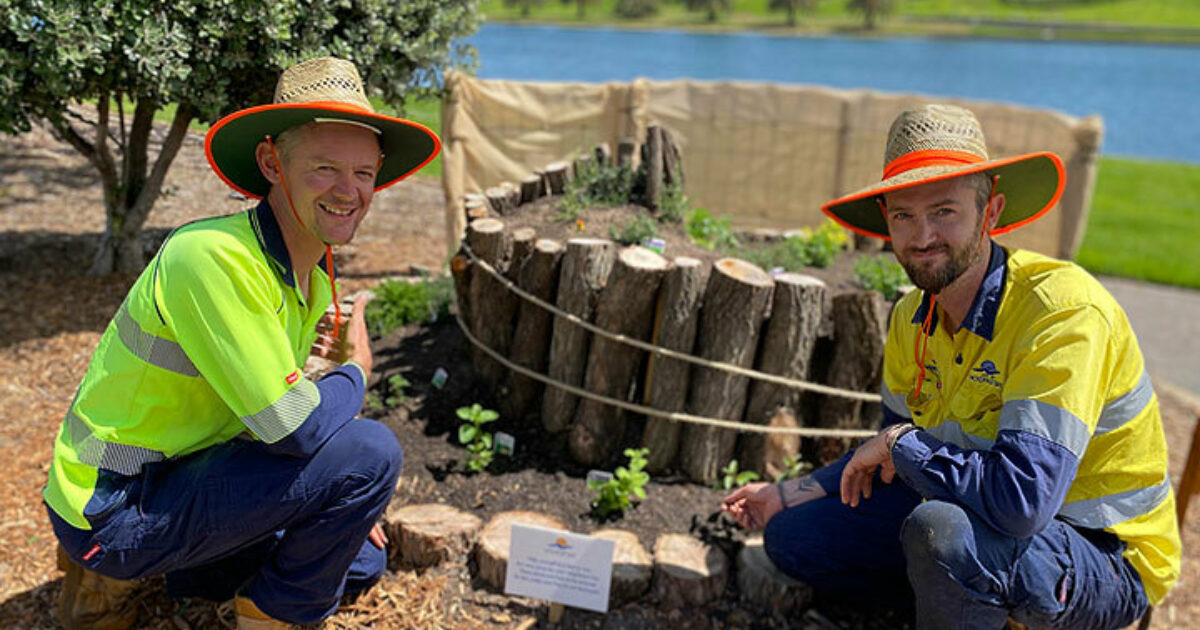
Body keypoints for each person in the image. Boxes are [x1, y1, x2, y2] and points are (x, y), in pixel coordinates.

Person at [722, 104, 1180, 629]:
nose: (922, 237)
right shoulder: (908, 319)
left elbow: (1020, 502)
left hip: (1103, 555)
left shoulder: (1061, 312)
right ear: (885, 224)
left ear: (991, 213)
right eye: (903, 216)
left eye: (944, 212)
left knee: (941, 530)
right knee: (793, 537)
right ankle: (956, 603)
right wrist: (785, 494)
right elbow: (894, 461)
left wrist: (902, 446)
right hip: (978, 521)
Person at [45, 57, 440, 629]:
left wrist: (344, 501)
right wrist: (355, 373)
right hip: (112, 506)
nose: (348, 191)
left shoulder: (312, 276)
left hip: (184, 478)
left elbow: (274, 415)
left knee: (362, 559)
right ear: (270, 162)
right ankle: (249, 611)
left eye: (363, 172)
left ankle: (177, 572)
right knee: (372, 453)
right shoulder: (211, 257)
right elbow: (294, 427)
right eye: (324, 167)